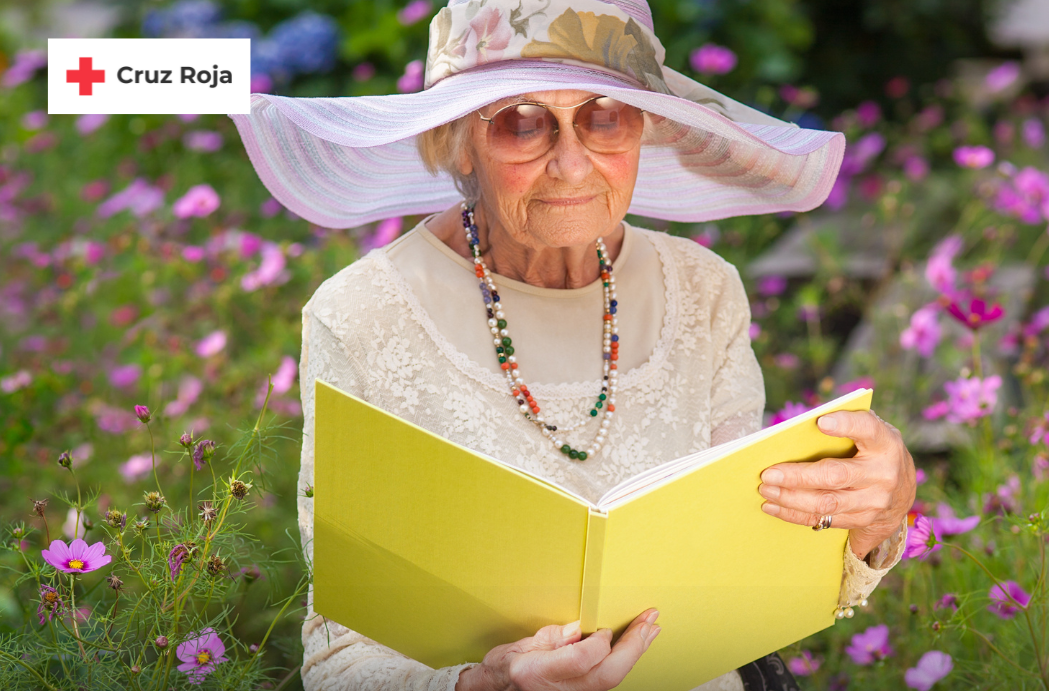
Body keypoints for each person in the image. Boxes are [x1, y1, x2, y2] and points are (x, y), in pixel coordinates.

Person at [229, 1, 916, 689]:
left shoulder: (704, 288)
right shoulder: (360, 314)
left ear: (643, 128)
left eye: (603, 117)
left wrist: (870, 518)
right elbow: (338, 659)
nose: (570, 164)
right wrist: (486, 684)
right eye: (520, 123)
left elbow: (755, 578)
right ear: (458, 141)